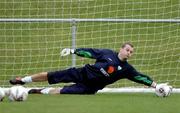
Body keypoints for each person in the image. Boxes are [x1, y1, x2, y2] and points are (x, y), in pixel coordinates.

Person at [10, 42, 158, 94]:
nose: (129, 53)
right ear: (121, 49)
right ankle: (23, 80)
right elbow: (89, 52)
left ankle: (32, 91)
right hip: (82, 73)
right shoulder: (107, 53)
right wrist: (73, 51)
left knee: (62, 92)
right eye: (127, 50)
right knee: (50, 75)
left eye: (131, 52)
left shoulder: (127, 69)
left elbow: (140, 77)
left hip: (90, 87)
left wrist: (155, 85)